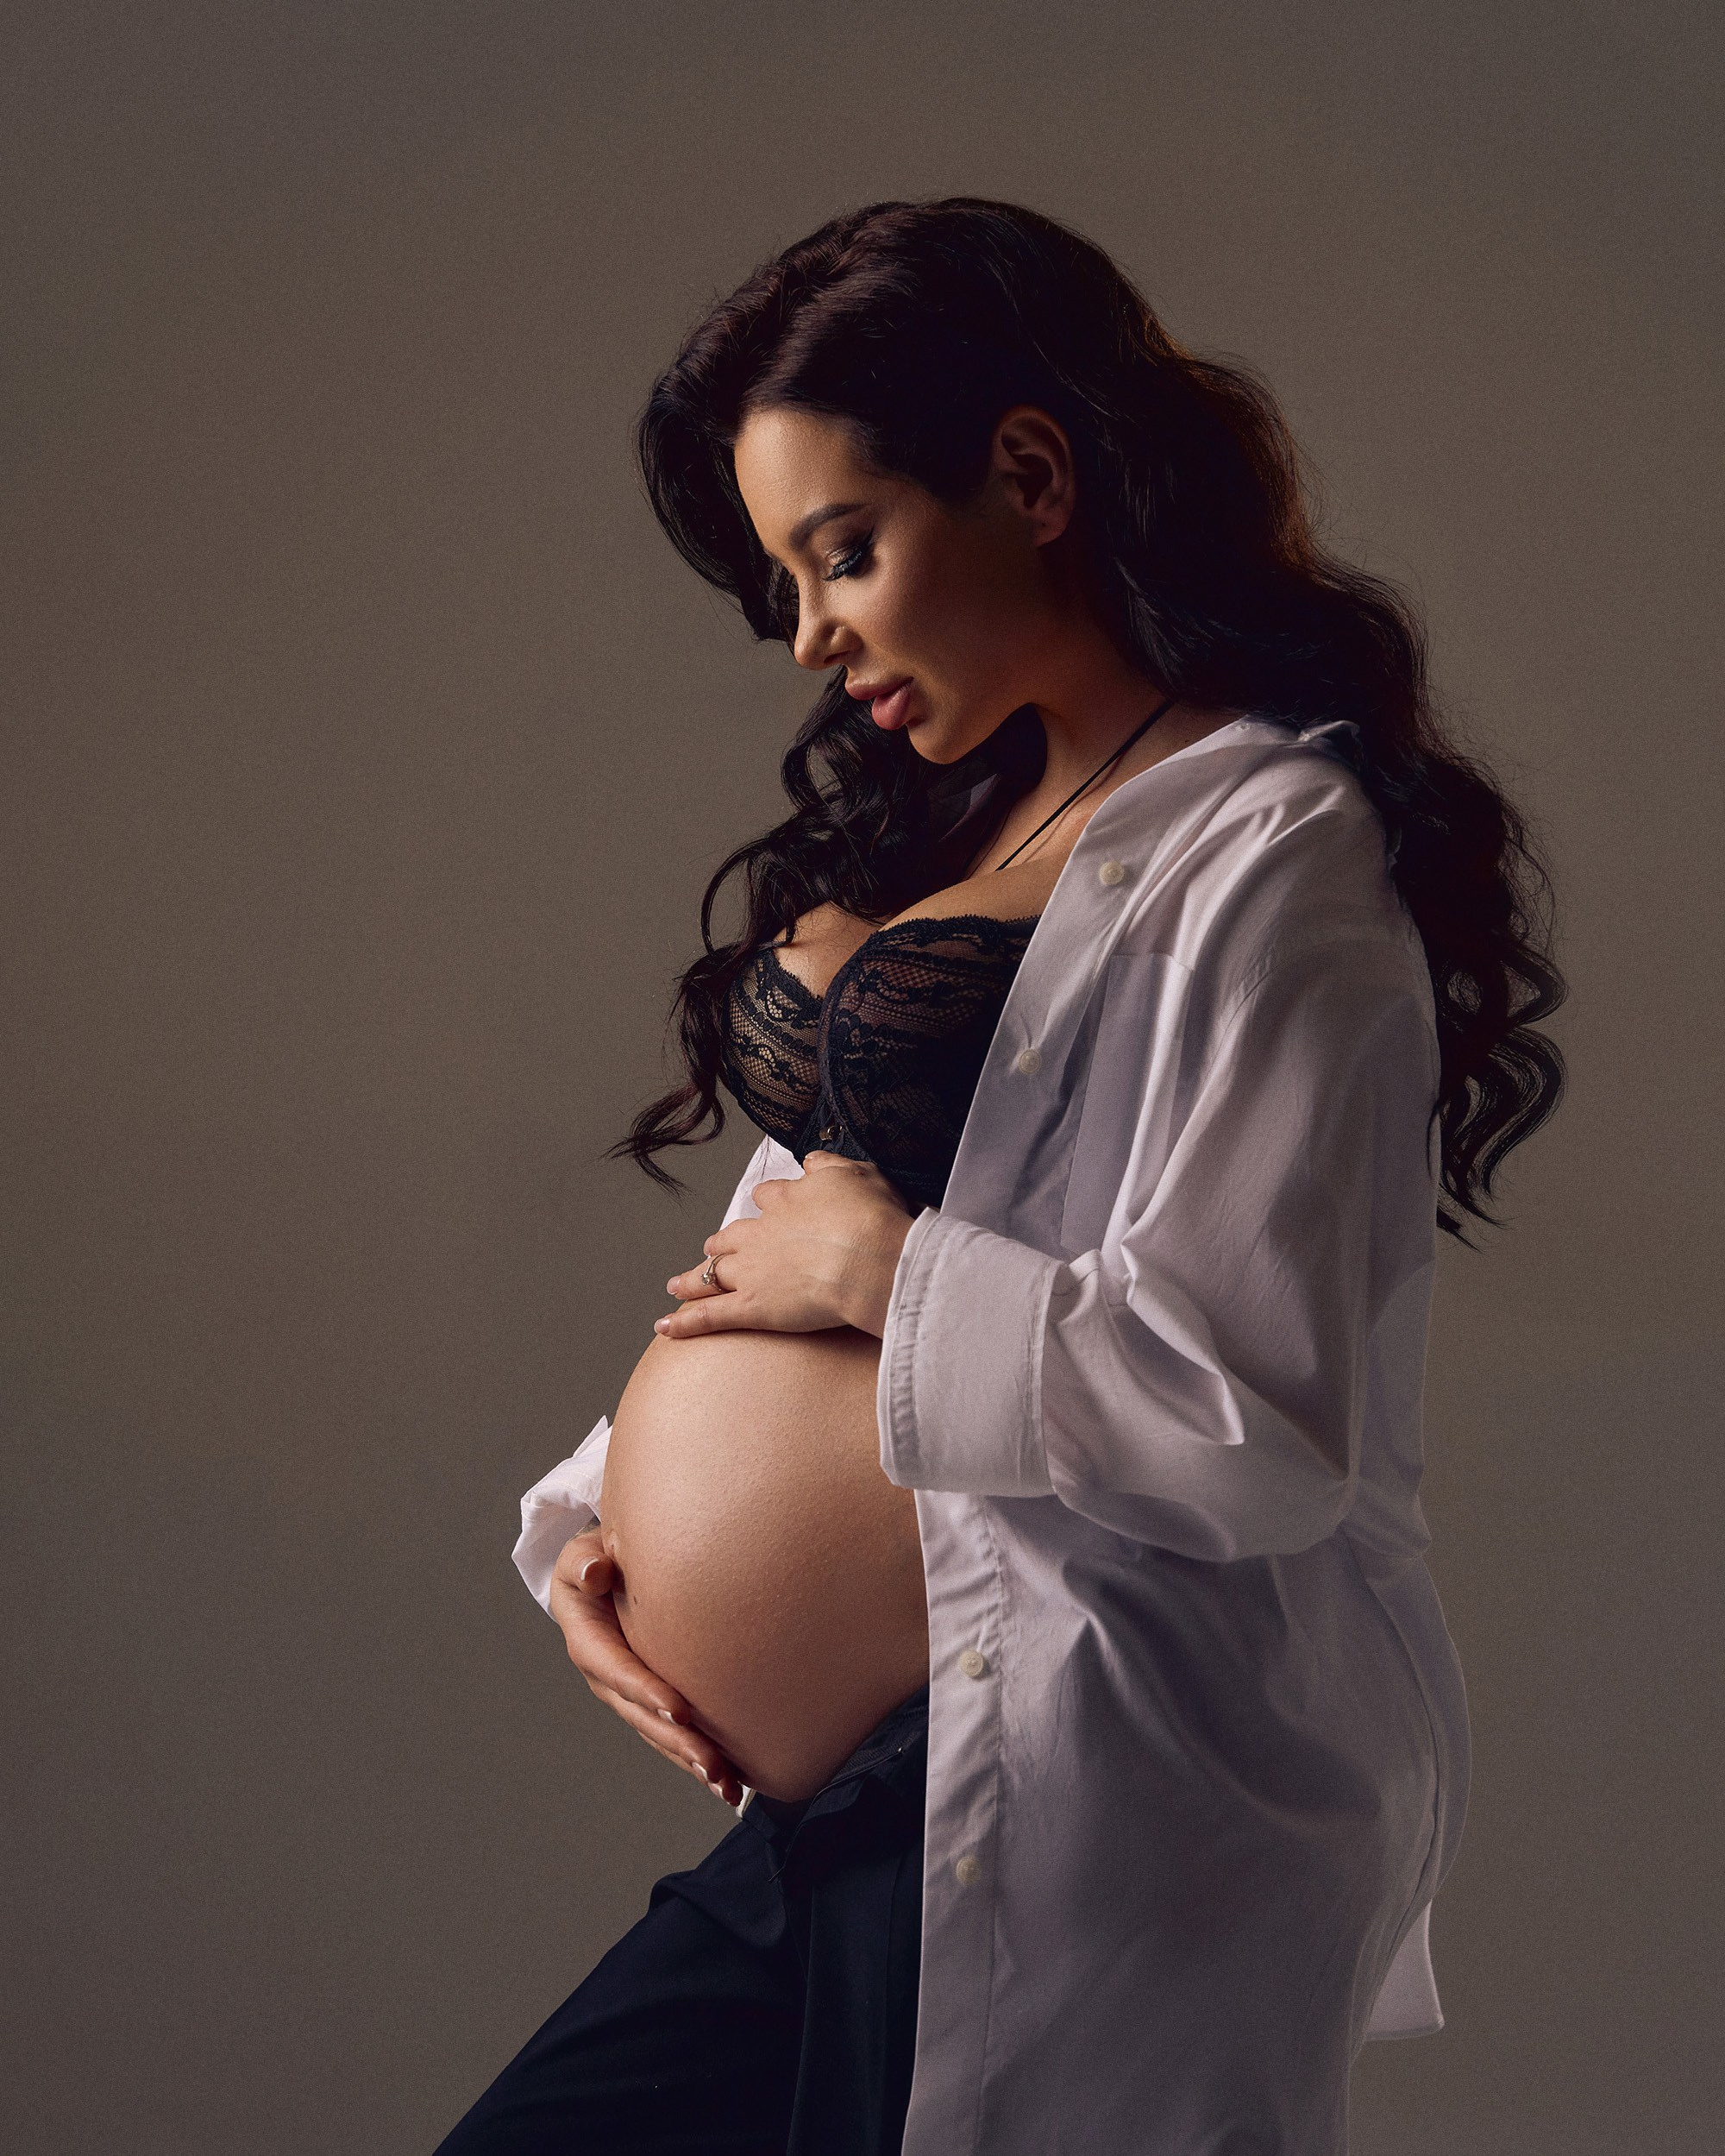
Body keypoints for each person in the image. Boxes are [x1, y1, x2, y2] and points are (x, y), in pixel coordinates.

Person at [435, 198, 1565, 2155]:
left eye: (841, 550)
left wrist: (898, 1270)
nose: (808, 634)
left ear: (1030, 473)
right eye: (783, 579)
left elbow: (1263, 1413)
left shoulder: (1275, 850)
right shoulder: (971, 824)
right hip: (850, 1793)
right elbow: (776, 1253)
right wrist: (604, 1530)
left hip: (1072, 1765)